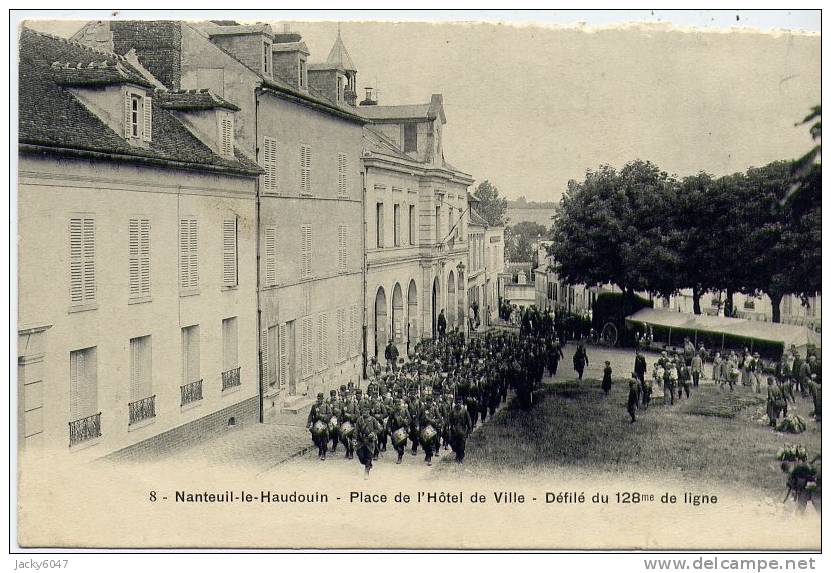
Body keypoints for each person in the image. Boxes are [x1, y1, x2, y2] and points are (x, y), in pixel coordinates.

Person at [355, 404, 382, 478]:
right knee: (360, 456)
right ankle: (368, 464)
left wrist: (373, 433)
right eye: (363, 410)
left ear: (369, 411)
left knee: (369, 456)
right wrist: (354, 439)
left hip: (370, 441)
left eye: (366, 410)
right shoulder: (359, 419)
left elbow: (378, 429)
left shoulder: (373, 419)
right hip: (361, 441)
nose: (365, 412)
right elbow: (356, 430)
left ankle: (366, 471)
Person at [306, 393, 331, 461]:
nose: (319, 400)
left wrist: (322, 416)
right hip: (316, 425)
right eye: (318, 398)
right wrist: (308, 423)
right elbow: (311, 415)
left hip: (324, 425)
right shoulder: (314, 406)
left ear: (323, 399)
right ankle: (320, 448)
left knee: (324, 440)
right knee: (316, 440)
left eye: (321, 399)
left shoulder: (326, 406)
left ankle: (324, 453)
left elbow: (329, 415)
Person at [449, 394, 473, 463]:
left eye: (460, 402)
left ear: (462, 402)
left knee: (462, 445)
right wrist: (451, 427)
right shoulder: (453, 411)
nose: (459, 404)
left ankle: (461, 457)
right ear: (456, 403)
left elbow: (469, 421)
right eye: (457, 402)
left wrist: (469, 430)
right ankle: (457, 455)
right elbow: (449, 420)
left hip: (462, 431)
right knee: (455, 445)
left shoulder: (464, 411)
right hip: (454, 431)